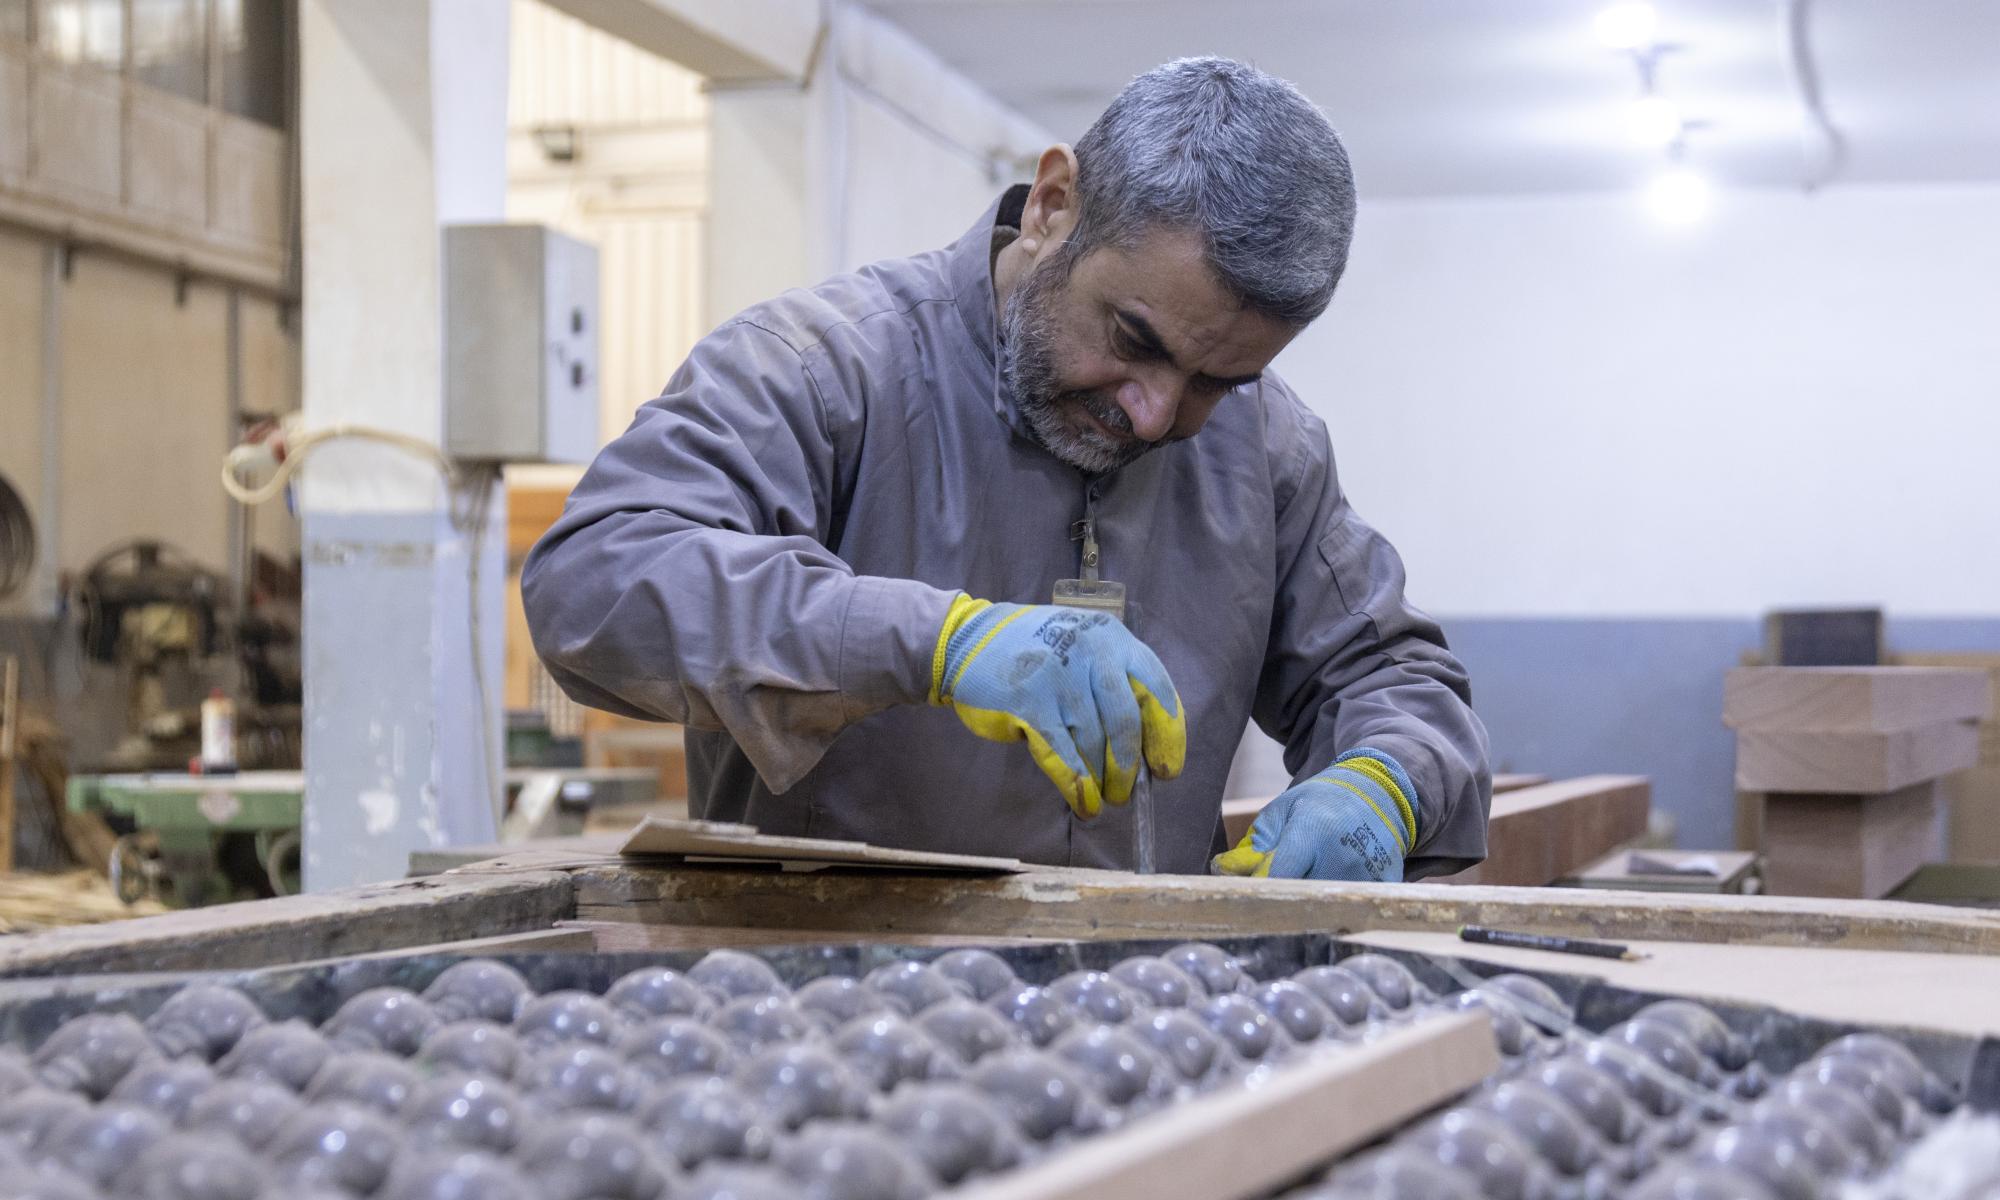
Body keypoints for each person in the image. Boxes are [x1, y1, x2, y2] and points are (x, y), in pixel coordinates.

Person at [523, 57, 1491, 881]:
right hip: (825, 1002)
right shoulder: (821, 370)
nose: (1154, 414)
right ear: (1052, 205)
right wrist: (936, 643)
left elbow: (1392, 676)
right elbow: (592, 581)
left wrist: (1384, 781)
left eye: (1215, 381)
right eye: (1133, 339)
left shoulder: (1266, 448)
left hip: (1138, 1012)